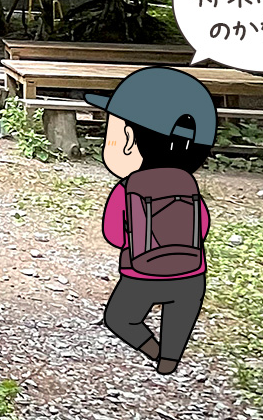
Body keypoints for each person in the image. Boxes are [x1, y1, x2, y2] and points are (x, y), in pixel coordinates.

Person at [85, 66, 217, 375]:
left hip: (141, 274)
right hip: (191, 275)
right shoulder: (189, 185)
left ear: (129, 140)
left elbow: (114, 234)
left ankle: (153, 350)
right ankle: (170, 358)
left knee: (119, 318)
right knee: (180, 317)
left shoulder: (127, 188)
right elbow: (203, 227)